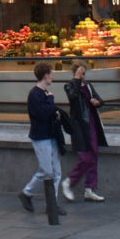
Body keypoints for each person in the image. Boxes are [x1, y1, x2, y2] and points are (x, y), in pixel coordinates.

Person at [18, 61, 67, 216]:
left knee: (56, 172)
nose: (52, 77)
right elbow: (42, 114)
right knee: (46, 170)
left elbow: (48, 112)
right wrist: (52, 103)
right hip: (41, 137)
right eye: (51, 74)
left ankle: (51, 204)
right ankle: (26, 193)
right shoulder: (35, 94)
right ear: (46, 76)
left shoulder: (44, 93)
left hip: (50, 135)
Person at [61, 62, 107, 203]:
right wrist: (76, 79)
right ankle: (69, 182)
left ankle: (90, 189)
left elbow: (101, 100)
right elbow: (73, 98)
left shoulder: (88, 85)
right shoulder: (69, 86)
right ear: (75, 73)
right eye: (81, 72)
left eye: (84, 72)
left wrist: (96, 102)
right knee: (85, 157)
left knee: (94, 155)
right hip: (79, 126)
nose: (83, 75)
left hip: (92, 124)